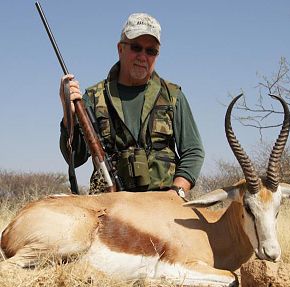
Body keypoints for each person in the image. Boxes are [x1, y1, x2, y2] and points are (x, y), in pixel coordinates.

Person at [59, 12, 205, 197]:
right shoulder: (93, 97)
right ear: (121, 49)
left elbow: (193, 151)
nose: (143, 56)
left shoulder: (173, 96)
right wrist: (68, 115)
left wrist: (176, 193)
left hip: (163, 202)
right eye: (136, 47)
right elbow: (75, 158)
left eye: (151, 51)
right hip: (108, 202)